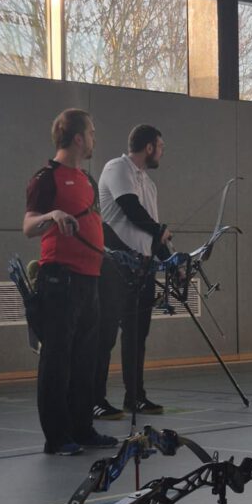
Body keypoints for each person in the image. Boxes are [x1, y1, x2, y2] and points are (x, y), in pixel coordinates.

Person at [23, 108, 119, 456]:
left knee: (85, 360)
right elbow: (29, 226)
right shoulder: (46, 178)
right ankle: (57, 436)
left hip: (90, 280)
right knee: (57, 360)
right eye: (91, 133)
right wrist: (52, 215)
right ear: (78, 138)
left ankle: (82, 428)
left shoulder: (87, 180)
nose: (94, 139)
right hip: (59, 281)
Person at [93, 124, 171, 420]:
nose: (162, 152)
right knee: (106, 335)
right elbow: (130, 208)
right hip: (115, 265)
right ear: (149, 147)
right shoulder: (117, 167)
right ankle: (95, 400)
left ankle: (135, 397)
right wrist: (159, 230)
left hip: (143, 268)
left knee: (137, 335)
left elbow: (153, 232)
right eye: (160, 147)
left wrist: (171, 262)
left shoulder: (149, 184)